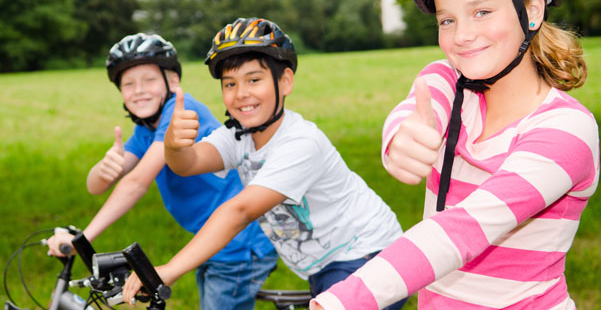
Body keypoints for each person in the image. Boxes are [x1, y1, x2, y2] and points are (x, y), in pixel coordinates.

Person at [310, 0, 600, 310]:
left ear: (531, 11)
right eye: (447, 20)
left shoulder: (567, 130)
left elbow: (462, 230)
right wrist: (397, 137)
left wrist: (344, 300)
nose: (461, 35)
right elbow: (417, 109)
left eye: (481, 12)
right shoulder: (449, 81)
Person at [121, 18, 406, 309]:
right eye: (230, 84)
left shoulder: (301, 143)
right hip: (328, 263)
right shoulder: (239, 136)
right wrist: (172, 144)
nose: (241, 92)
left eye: (253, 79)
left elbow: (240, 211)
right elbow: (187, 164)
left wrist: (169, 269)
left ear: (285, 81)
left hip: (369, 257)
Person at [46, 33, 277, 310]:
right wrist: (103, 170)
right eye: (128, 83)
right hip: (213, 241)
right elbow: (97, 186)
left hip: (240, 241)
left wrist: (81, 240)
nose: (139, 89)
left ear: (173, 81)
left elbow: (136, 183)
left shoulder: (181, 112)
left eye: (149, 79)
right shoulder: (145, 130)